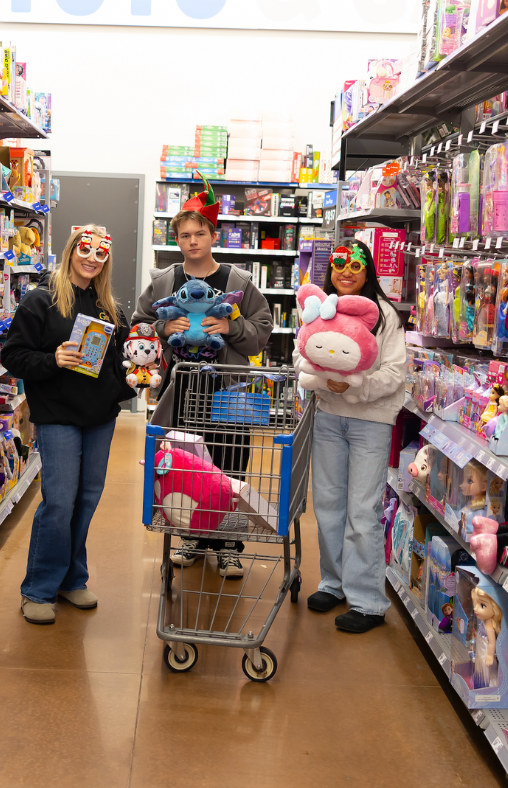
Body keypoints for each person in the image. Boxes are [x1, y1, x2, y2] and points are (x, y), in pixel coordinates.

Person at [132, 177, 273, 578]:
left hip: (229, 390)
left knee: (231, 464)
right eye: (184, 235)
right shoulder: (163, 283)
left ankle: (228, 544)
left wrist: (232, 329)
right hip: (181, 390)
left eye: (199, 234)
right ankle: (192, 536)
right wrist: (162, 329)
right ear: (175, 239)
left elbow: (261, 332)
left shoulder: (237, 283)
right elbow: (141, 327)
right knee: (186, 466)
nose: (192, 242)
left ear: (214, 235)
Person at [2, 225, 135, 624]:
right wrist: (52, 360)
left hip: (99, 417)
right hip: (57, 414)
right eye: (86, 249)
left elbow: (124, 360)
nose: (92, 258)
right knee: (59, 501)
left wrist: (138, 370)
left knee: (87, 499)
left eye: (101, 253)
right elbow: (12, 355)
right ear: (71, 249)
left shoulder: (109, 306)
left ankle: (72, 578)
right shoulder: (40, 301)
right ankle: (38, 589)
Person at [296, 240, 406, 633]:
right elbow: (301, 354)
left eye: (356, 264)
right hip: (328, 417)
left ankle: (367, 601)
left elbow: (395, 373)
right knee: (327, 504)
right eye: (339, 263)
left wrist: (355, 389)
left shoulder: (385, 315)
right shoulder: (320, 309)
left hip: (371, 422)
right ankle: (333, 582)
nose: (346, 271)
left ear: (368, 270)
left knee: (362, 510)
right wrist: (321, 380)